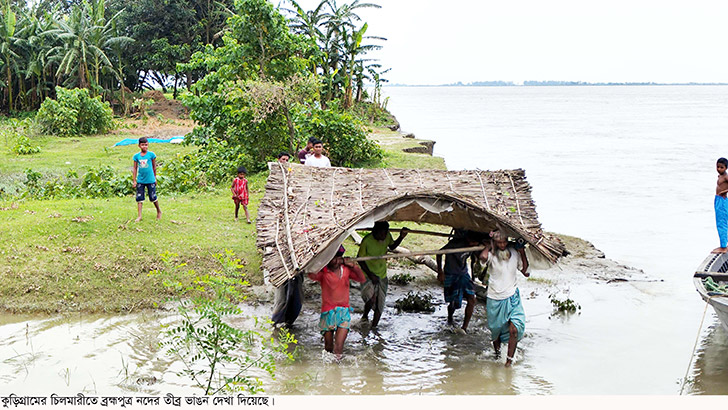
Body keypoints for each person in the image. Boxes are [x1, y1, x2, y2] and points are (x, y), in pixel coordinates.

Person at [308, 246, 366, 359]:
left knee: (338, 347)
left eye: (338, 258)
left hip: (343, 312)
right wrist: (320, 264)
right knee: (328, 347)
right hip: (328, 313)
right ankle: (329, 370)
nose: (335, 261)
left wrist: (353, 265)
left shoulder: (346, 270)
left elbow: (361, 278)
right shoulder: (324, 272)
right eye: (333, 258)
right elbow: (311, 274)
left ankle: (336, 370)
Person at [482, 230, 529, 367]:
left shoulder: (514, 253)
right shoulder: (492, 255)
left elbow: (525, 271)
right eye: (499, 242)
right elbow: (483, 258)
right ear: (495, 243)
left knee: (514, 328)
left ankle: (509, 361)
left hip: (512, 296)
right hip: (494, 298)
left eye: (504, 242)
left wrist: (522, 252)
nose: (502, 245)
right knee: (495, 331)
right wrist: (488, 247)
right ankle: (497, 355)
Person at [357, 221, 409, 328]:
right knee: (371, 299)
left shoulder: (387, 236)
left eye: (385, 234)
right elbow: (360, 259)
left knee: (380, 303)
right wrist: (370, 275)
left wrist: (401, 237)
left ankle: (374, 327)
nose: (383, 236)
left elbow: (392, 246)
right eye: (381, 234)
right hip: (367, 275)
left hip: (382, 274)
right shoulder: (367, 241)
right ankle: (365, 316)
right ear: (375, 232)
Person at [436, 230, 482, 334]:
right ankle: (450, 317)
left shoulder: (474, 247)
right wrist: (440, 272)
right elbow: (439, 254)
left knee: (472, 299)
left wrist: (473, 278)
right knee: (453, 302)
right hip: (451, 273)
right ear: (468, 239)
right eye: (473, 242)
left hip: (463, 274)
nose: (474, 244)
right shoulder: (455, 244)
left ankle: (464, 327)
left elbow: (473, 260)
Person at [132, 137, 161, 222]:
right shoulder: (136, 156)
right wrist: (134, 180)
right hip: (141, 180)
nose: (144, 146)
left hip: (150, 179)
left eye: (146, 145)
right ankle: (139, 216)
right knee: (139, 198)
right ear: (139, 146)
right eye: (142, 145)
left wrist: (155, 178)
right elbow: (135, 168)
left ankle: (158, 211)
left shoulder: (151, 155)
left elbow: (154, 167)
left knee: (153, 197)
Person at [713, 157, 728, 254]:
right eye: (717, 167)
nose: (719, 169)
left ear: (726, 168)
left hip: (722, 200)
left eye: (721, 167)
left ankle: (723, 246)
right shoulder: (720, 176)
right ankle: (724, 243)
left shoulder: (726, 177)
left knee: (721, 222)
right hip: (718, 199)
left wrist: (724, 191)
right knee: (720, 220)